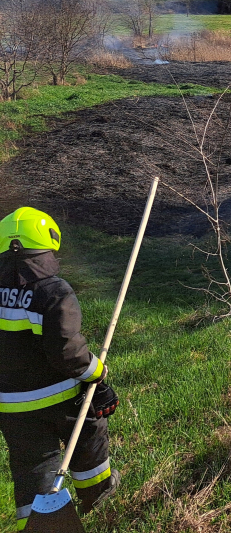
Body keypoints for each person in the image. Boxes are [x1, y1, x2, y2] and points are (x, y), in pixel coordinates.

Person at [0, 207, 119, 529]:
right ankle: (97, 494)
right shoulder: (53, 292)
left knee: (31, 464)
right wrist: (99, 377)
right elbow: (68, 353)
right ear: (48, 242)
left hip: (10, 406)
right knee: (89, 434)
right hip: (62, 397)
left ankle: (38, 524)